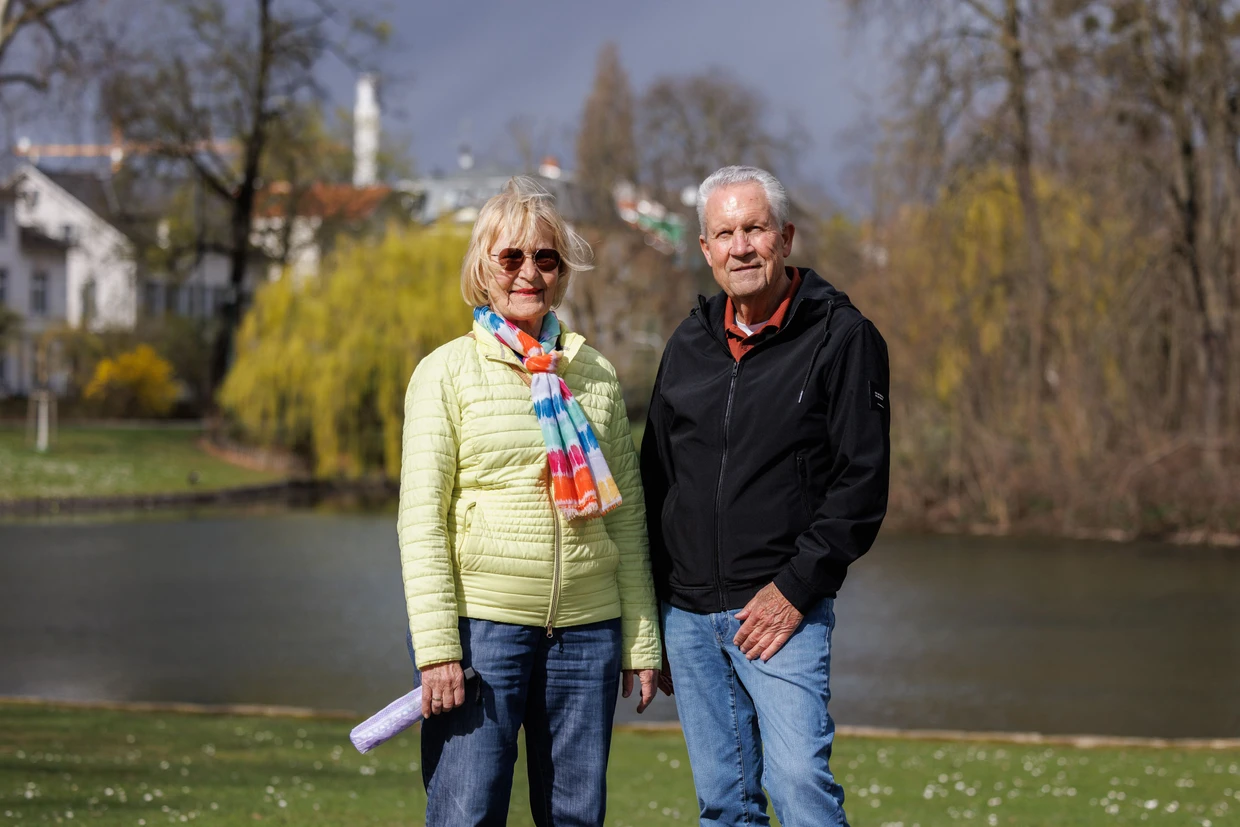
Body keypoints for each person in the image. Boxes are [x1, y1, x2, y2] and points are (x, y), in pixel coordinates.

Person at [398, 176, 661, 827]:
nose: (529, 273)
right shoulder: (446, 372)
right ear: (483, 270)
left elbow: (625, 518)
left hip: (588, 634)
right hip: (484, 632)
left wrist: (642, 638)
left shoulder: (594, 373)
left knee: (576, 816)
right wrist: (437, 650)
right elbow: (422, 521)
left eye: (546, 258)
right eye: (510, 257)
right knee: (467, 811)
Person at [641, 165, 891, 827]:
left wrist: (795, 588)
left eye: (754, 229)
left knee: (800, 784)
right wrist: (656, 613)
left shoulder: (842, 337)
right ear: (705, 249)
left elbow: (860, 484)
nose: (741, 246)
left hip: (781, 611)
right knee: (725, 805)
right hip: (690, 620)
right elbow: (655, 480)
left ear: (785, 236)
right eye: (725, 233)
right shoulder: (687, 345)